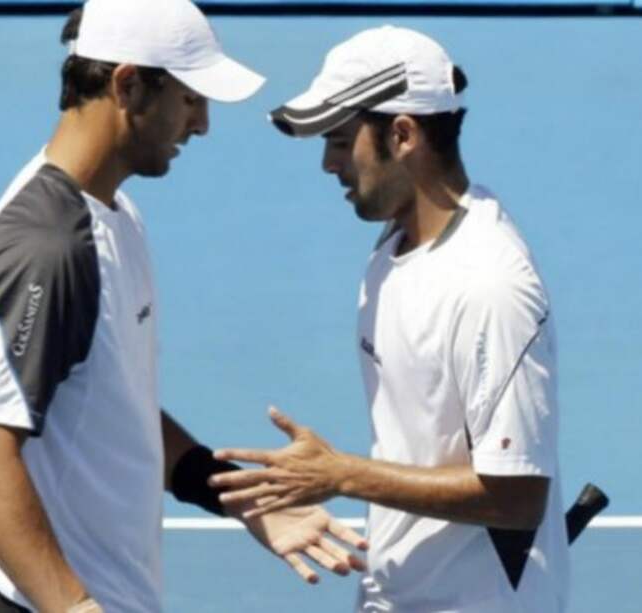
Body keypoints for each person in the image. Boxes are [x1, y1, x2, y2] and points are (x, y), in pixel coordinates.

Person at [0, 1, 367, 611]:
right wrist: (77, 607)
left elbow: (111, 404)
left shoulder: (115, 217)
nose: (200, 125)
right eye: (191, 99)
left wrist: (237, 497)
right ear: (129, 85)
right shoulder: (47, 246)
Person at [209, 26, 570, 612]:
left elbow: (517, 496)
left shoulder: (490, 287)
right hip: (398, 594)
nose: (327, 164)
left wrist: (340, 475)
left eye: (339, 140)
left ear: (402, 134)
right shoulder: (393, 246)